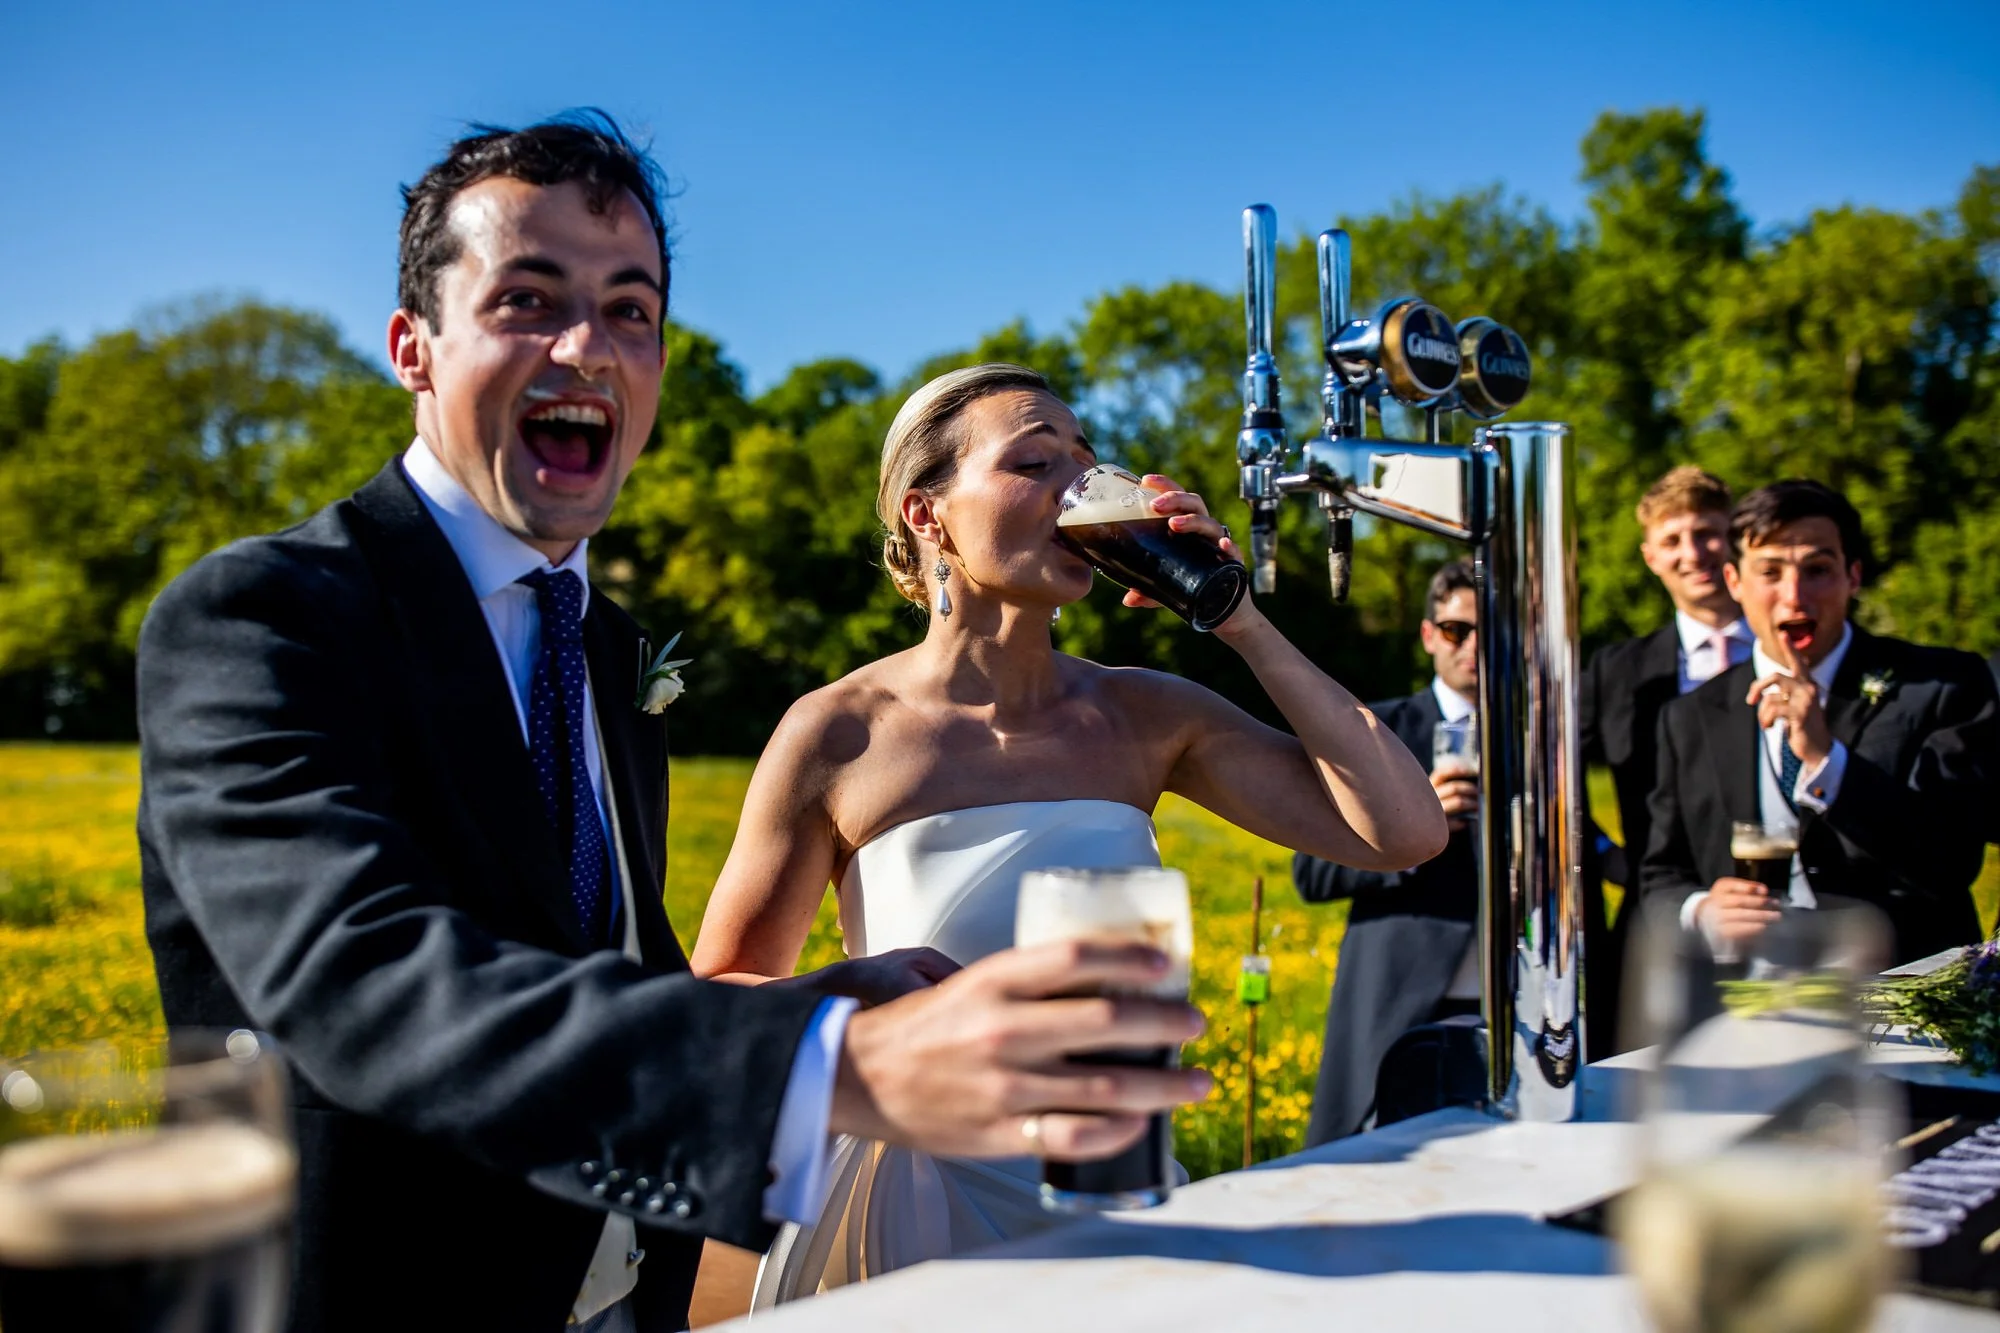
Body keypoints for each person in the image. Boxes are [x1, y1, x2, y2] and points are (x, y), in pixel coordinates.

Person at [136, 115, 1209, 1333]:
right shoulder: (263, 617)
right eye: (528, 301)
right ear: (412, 348)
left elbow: (603, 970)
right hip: (370, 1295)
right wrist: (830, 1070)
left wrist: (809, 1000)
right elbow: (359, 982)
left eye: (629, 309)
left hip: (614, 1292)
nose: (587, 348)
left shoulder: (610, 649)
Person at [688, 362, 1446, 1302]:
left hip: (1114, 1187)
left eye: (1087, 465)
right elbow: (718, 993)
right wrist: (857, 988)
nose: (1077, 490)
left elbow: (1405, 831)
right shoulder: (840, 732)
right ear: (929, 516)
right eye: (1034, 463)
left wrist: (1234, 613)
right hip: (919, 1205)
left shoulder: (1145, 713)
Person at [1640, 479, 1998, 965]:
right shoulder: (1689, 716)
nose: (1794, 595)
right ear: (1734, 582)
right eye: (1770, 572)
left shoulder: (1944, 685)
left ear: (1853, 576)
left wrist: (1827, 761)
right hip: (1744, 1007)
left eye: (1818, 569)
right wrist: (1700, 910)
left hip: (1903, 996)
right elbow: (1660, 876)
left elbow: (1949, 863)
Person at [1290, 559, 1483, 1146]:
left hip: (1513, 1002)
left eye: (1489, 628)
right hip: (1397, 999)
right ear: (1429, 635)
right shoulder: (1379, 731)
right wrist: (1411, 838)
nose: (1473, 645)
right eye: (1457, 630)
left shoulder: (1538, 734)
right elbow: (1312, 873)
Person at [1578, 466, 1750, 1050]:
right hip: (1658, 919)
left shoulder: (1795, 641)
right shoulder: (1617, 672)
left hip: (1785, 916)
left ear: (1735, 539)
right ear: (1650, 556)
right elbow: (1553, 780)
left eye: (1707, 533)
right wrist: (1606, 857)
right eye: (1673, 540)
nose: (1693, 553)